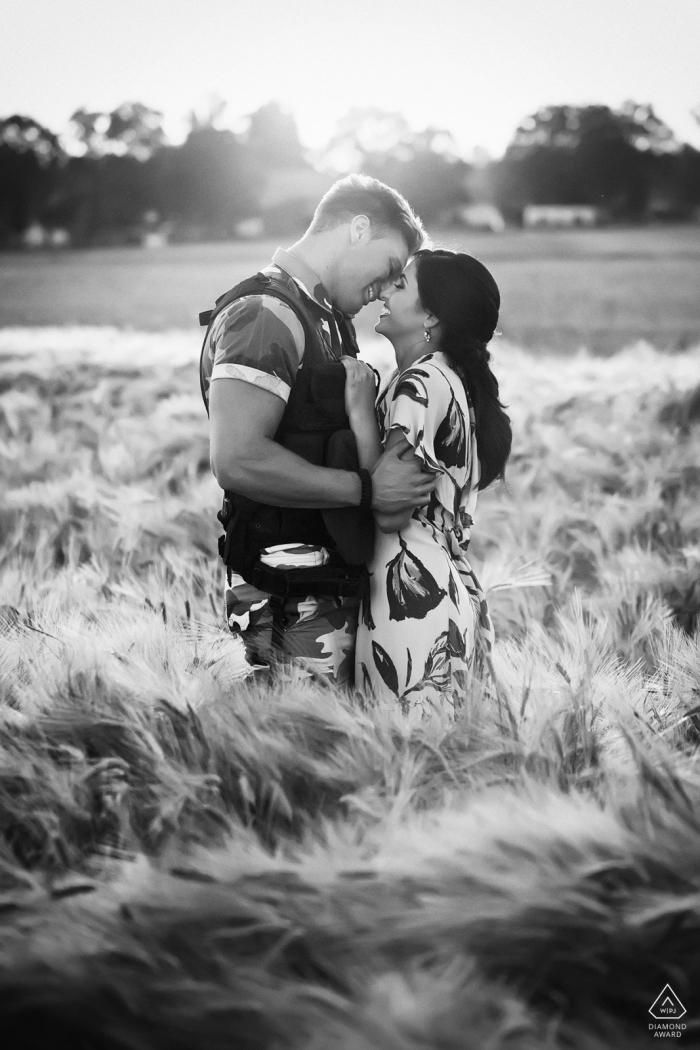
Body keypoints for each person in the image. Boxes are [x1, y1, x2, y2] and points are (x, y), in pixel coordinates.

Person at [201, 175, 434, 684]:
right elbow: (237, 459)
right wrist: (367, 489)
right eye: (390, 267)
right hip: (287, 600)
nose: (387, 290)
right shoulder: (265, 315)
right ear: (356, 229)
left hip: (324, 589)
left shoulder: (324, 317)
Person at [342, 249, 512, 713]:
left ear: (431, 315)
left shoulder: (420, 381)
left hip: (409, 597)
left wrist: (360, 410)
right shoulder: (451, 376)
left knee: (400, 758)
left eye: (401, 285)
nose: (386, 290)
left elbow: (390, 508)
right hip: (441, 587)